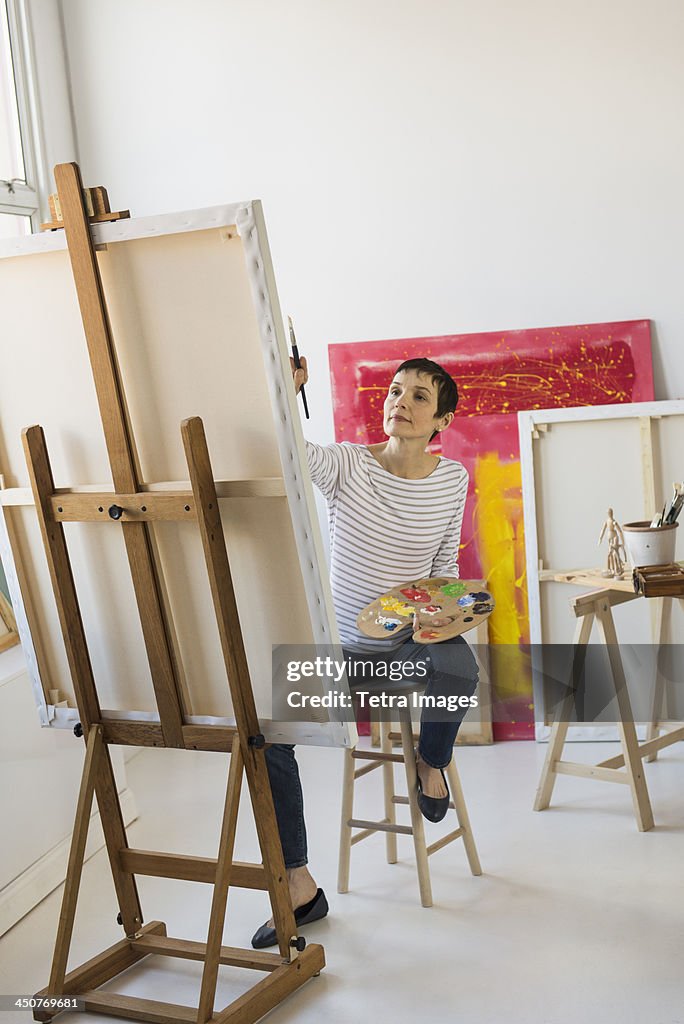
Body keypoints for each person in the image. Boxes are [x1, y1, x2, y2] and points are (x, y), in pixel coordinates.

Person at [251, 356, 479, 949]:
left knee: (460, 664)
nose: (400, 401)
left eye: (419, 397)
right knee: (268, 734)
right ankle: (299, 884)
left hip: (408, 636)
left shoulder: (452, 479)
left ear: (441, 419)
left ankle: (430, 762)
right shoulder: (348, 464)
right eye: (396, 390)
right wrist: (286, 389)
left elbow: (443, 570)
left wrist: (448, 610)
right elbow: (288, 449)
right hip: (342, 648)